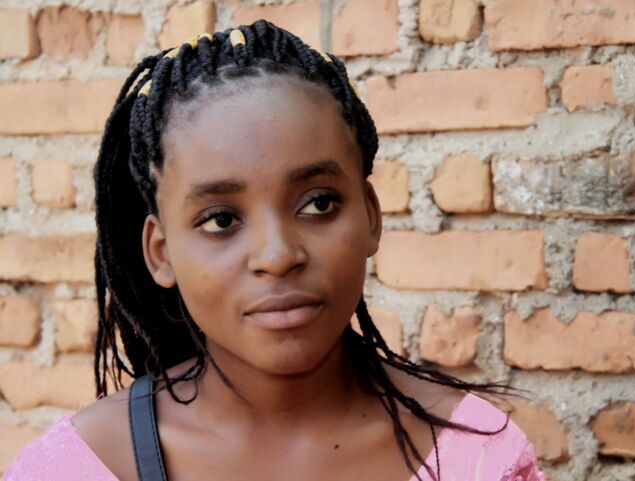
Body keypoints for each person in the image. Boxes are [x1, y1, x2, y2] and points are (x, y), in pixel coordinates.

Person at [4, 21, 544, 481]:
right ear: (161, 253)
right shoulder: (83, 465)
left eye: (318, 204)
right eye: (221, 220)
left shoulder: (475, 459)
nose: (278, 255)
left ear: (371, 217)